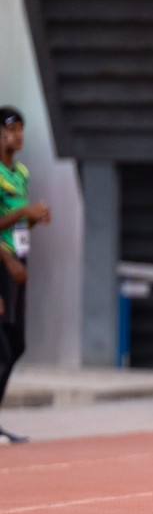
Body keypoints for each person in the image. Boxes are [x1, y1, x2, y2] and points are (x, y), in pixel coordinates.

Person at [0, 107, 48, 443]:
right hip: (3, 264)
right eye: (11, 130)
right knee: (1, 347)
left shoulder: (22, 173)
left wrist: (32, 218)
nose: (18, 136)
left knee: (17, 343)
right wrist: (23, 210)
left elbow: (16, 223)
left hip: (19, 261)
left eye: (21, 129)